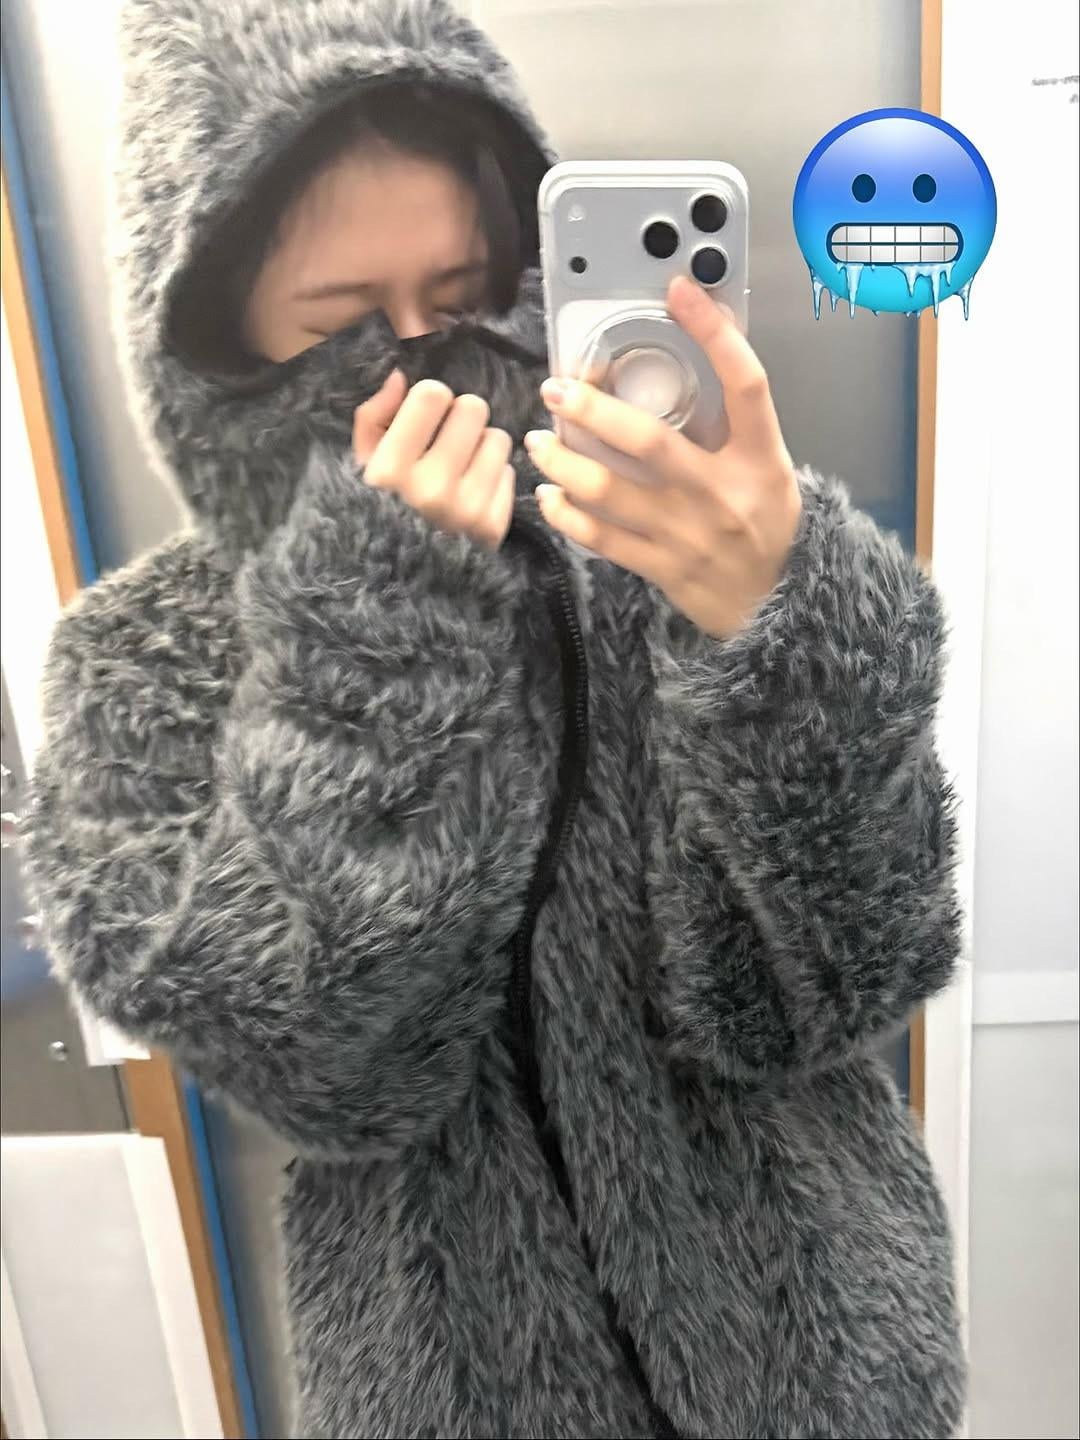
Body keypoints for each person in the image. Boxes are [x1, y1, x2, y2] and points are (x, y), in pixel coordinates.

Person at [26, 1, 965, 1436]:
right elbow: (333, 1071)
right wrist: (384, 632)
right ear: (216, 346)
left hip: (822, 1370)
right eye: (342, 323)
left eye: (469, 290)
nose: (426, 353)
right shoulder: (140, 667)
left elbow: (842, 982)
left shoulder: (675, 546)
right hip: (456, 1392)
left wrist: (782, 636)